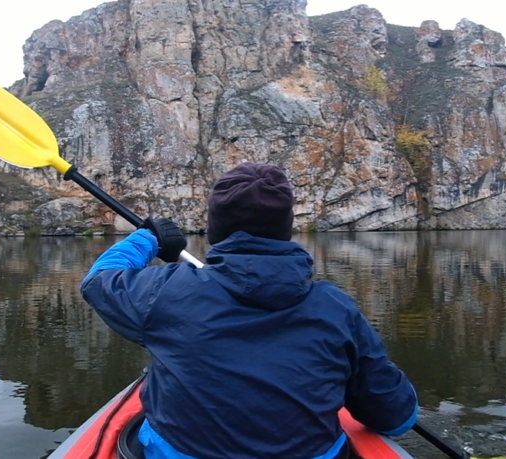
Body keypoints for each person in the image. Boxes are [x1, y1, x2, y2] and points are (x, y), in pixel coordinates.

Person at [80, 162, 418, 459]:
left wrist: (149, 238)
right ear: (286, 230)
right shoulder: (337, 309)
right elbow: (398, 418)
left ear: (214, 229)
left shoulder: (165, 291)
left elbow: (98, 281)